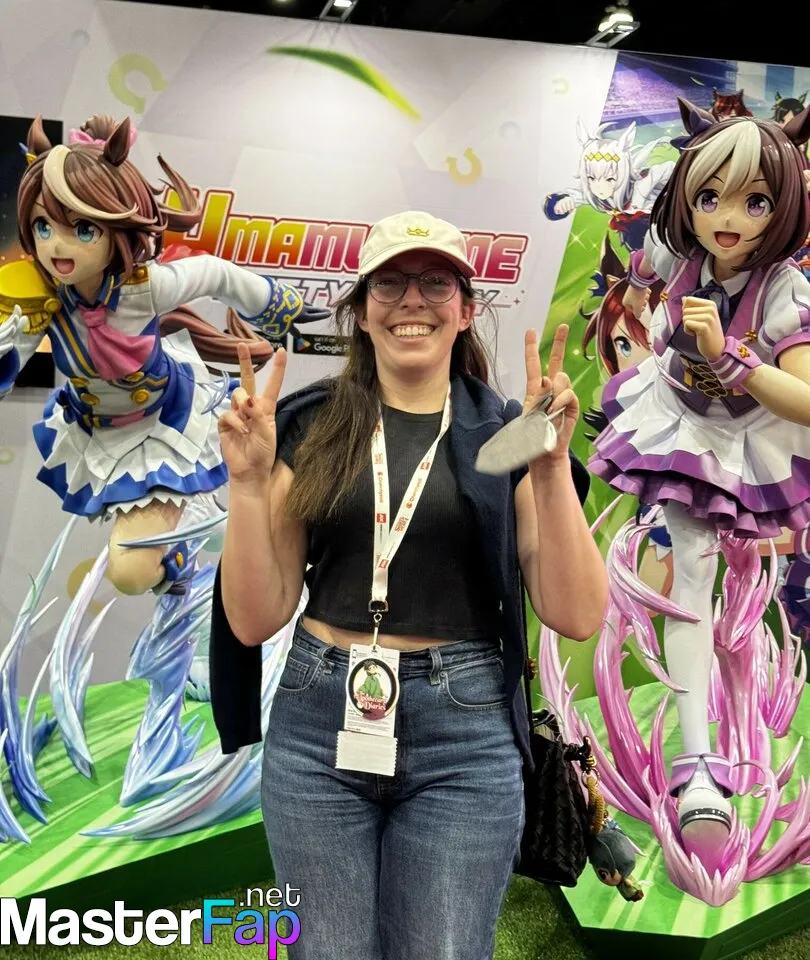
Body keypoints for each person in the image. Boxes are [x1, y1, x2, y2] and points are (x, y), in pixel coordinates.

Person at [209, 211, 608, 960]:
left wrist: (552, 465)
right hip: (318, 725)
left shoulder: (510, 434)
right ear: (361, 312)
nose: (411, 301)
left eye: (435, 282)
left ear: (466, 309)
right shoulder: (310, 427)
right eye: (388, 284)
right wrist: (249, 485)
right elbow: (255, 618)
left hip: (465, 737)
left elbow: (578, 613)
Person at [589, 98, 810, 862]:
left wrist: (734, 357)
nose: (728, 218)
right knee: (690, 578)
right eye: (709, 197)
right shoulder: (678, 252)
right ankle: (700, 762)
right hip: (677, 417)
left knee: (713, 586)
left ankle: (721, 750)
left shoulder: (782, 290)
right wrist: (637, 300)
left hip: (743, 436)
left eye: (755, 202)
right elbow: (641, 264)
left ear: (781, 208)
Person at [0, 114, 327, 596]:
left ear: (116, 227)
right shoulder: (41, 298)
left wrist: (278, 307)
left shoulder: (145, 288)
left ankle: (190, 547)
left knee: (130, 573)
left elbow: (215, 273)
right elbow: (12, 354)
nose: (57, 247)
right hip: (98, 431)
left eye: (83, 229)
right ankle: (186, 552)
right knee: (145, 569)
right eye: (42, 226)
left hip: (165, 423)